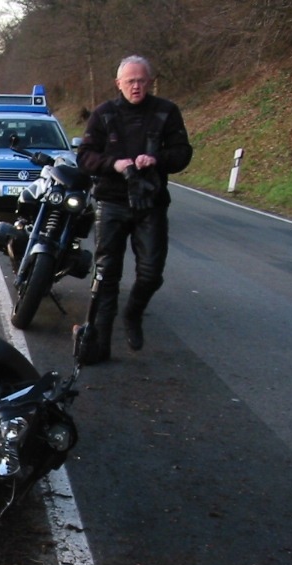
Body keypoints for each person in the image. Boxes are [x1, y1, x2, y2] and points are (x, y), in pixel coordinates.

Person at [75, 55, 193, 363]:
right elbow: (84, 156)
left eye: (141, 80)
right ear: (118, 84)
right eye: (130, 81)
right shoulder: (103, 114)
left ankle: (134, 313)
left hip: (150, 202)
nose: (136, 86)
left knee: (152, 273)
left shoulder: (166, 112)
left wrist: (157, 160)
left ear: (150, 81)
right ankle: (100, 344)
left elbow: (183, 153)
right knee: (106, 275)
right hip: (111, 201)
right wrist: (112, 164)